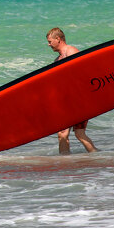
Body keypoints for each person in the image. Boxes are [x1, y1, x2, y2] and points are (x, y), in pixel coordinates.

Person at [45, 27, 98, 155]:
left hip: (78, 99)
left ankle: (97, 156)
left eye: (50, 41)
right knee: (62, 134)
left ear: (58, 39)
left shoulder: (71, 51)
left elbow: (81, 72)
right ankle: (65, 164)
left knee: (79, 134)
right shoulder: (57, 60)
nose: (48, 44)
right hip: (67, 100)